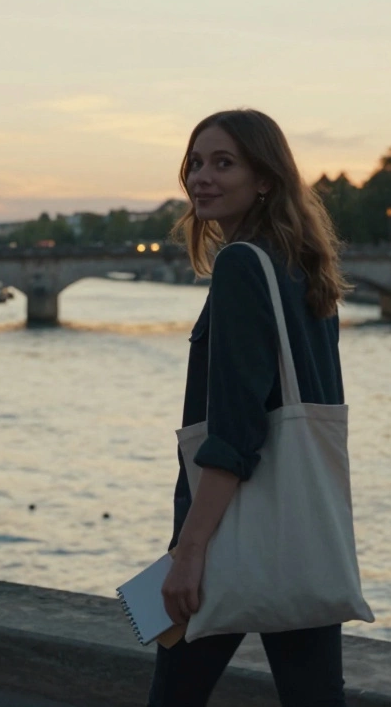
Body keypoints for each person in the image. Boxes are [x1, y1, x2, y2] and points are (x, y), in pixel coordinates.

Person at [150, 109, 351, 707]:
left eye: (223, 163)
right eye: (195, 162)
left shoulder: (241, 264)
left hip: (225, 525)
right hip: (298, 521)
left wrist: (190, 550)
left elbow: (237, 431)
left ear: (263, 178)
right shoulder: (305, 266)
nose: (201, 177)